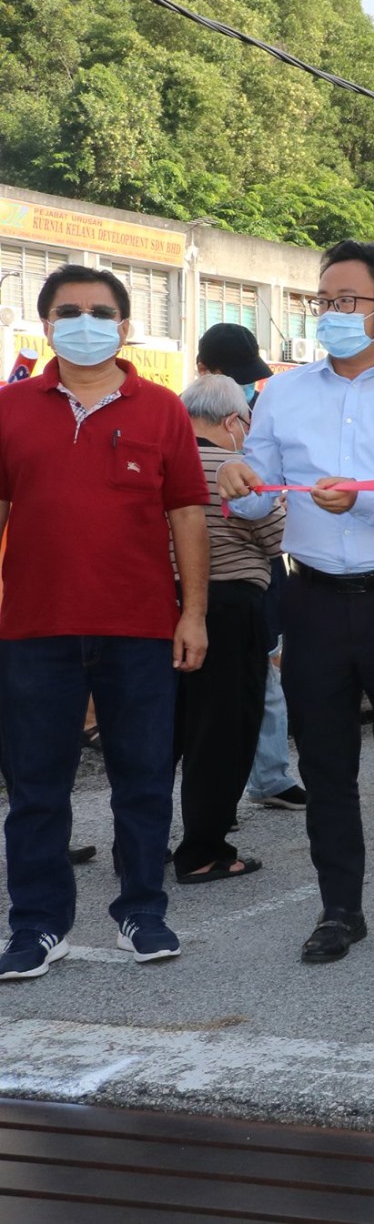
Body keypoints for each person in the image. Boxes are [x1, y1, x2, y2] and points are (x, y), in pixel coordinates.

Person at [219, 239, 374, 966]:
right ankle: (339, 910)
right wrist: (240, 481)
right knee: (325, 766)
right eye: (324, 301)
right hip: (313, 598)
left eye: (348, 301)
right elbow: (261, 485)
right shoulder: (284, 393)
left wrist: (366, 502)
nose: (332, 313)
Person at [0, 266, 210, 980]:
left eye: (99, 311)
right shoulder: (10, 408)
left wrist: (195, 613)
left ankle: (142, 912)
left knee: (144, 779)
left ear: (124, 326)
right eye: (69, 311)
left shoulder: (160, 410)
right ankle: (36, 924)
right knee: (35, 786)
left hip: (140, 627)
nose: (84, 321)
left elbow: (186, 512)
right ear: (46, 324)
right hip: (32, 629)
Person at [171, 373, 285, 884]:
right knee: (222, 732)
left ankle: (139, 843)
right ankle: (204, 848)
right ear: (234, 421)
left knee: (163, 729)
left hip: (160, 604)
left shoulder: (163, 462)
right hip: (228, 604)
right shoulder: (237, 468)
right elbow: (277, 535)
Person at [195, 325, 305, 812]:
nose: (246, 389)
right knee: (235, 693)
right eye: (234, 378)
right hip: (230, 586)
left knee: (262, 679)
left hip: (257, 579)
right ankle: (218, 802)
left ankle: (267, 777)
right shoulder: (180, 438)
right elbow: (274, 526)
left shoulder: (260, 418)